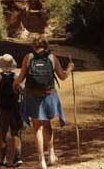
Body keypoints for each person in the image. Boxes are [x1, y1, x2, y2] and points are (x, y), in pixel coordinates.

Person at [13, 38, 74, 169]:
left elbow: (21, 77)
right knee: (47, 125)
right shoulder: (52, 58)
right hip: (49, 95)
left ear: (33, 46)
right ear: (46, 46)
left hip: (32, 96)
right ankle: (51, 155)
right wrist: (70, 68)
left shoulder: (28, 57)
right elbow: (63, 76)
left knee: (37, 128)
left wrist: (15, 83)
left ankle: (41, 161)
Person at [0, 54, 24, 167]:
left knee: (2, 135)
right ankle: (17, 157)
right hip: (15, 109)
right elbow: (23, 94)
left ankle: (3, 159)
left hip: (2, 110)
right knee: (15, 134)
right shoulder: (17, 76)